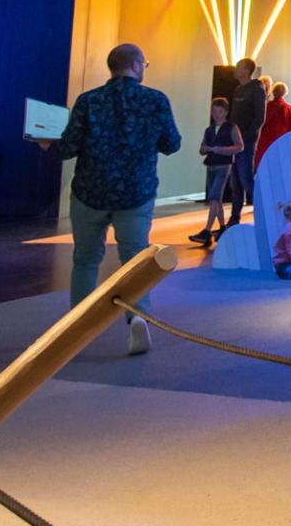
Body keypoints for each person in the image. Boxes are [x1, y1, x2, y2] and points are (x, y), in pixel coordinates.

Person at [46, 42, 180, 355]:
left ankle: (77, 327)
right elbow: (172, 143)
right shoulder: (156, 100)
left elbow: (68, 148)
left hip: (90, 192)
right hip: (135, 192)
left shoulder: (88, 101)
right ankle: (137, 319)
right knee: (134, 260)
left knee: (85, 260)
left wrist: (46, 144)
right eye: (144, 63)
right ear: (135, 65)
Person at [188, 96, 243, 247]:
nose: (216, 115)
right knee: (216, 198)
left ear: (225, 112)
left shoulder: (232, 128)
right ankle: (223, 227)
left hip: (224, 165)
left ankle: (206, 231)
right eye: (214, 111)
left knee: (214, 196)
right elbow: (201, 149)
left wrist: (222, 150)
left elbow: (239, 146)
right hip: (211, 164)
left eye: (219, 111)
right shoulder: (209, 130)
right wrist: (204, 149)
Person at [228, 57, 266, 229]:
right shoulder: (238, 90)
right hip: (235, 141)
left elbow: (259, 118)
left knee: (246, 179)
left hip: (246, 142)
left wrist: (247, 137)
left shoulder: (256, 89)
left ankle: (265, 214)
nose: (235, 69)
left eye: (238, 67)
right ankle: (234, 219)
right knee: (235, 181)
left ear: (246, 70)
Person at [257, 81, 291, 168]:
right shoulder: (289, 108)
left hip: (265, 141)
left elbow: (260, 123)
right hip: (281, 140)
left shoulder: (267, 106)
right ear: (284, 93)